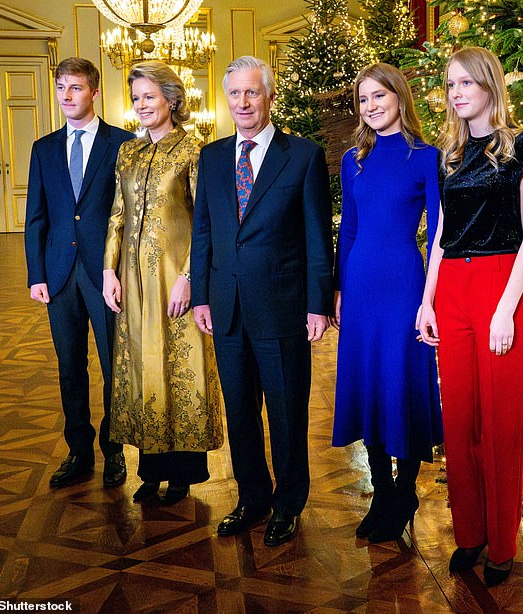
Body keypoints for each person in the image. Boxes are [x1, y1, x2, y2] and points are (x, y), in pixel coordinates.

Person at [191, 56, 334, 546]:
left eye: (252, 93)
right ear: (226, 98)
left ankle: (289, 503)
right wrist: (202, 296)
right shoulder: (211, 157)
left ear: (269, 96)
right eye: (235, 94)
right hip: (225, 306)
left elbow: (319, 237)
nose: (243, 103)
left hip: (283, 305)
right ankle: (252, 497)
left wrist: (318, 304)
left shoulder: (303, 156)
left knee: (287, 410)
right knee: (240, 411)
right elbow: (204, 231)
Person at [417, 47, 523, 587]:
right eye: (450, 85)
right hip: (452, 291)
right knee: (460, 421)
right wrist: (427, 300)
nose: (457, 92)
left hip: (500, 287)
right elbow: (442, 236)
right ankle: (468, 533)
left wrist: (507, 307)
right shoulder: (447, 154)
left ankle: (502, 543)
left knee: (499, 424)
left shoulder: (521, 146)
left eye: (467, 82)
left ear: (490, 85)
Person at [330, 63, 443, 543]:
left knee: (403, 380)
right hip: (359, 287)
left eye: (379, 96)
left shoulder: (426, 156)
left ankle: (404, 491)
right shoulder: (352, 158)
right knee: (368, 383)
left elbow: (440, 231)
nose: (371, 106)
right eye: (363, 99)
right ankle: (381, 490)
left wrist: (430, 299)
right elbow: (349, 228)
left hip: (404, 286)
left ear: (400, 97)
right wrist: (338, 289)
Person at [103, 61, 223, 506]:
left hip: (177, 281)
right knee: (143, 369)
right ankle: (149, 471)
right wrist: (107, 271)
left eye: (149, 97)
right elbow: (117, 214)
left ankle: (183, 475)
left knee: (179, 369)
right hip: (132, 284)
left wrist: (190, 277)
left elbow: (203, 221)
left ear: (171, 99)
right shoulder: (128, 153)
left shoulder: (194, 151)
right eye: (136, 98)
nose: (141, 106)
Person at [25, 57, 133, 489]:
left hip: (106, 274)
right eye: (61, 87)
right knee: (70, 366)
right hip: (58, 275)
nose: (67, 96)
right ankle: (78, 451)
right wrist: (37, 274)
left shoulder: (123, 143)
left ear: (95, 92)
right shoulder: (44, 147)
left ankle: (114, 451)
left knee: (113, 367)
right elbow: (36, 217)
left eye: (75, 88)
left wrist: (122, 269)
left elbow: (130, 214)